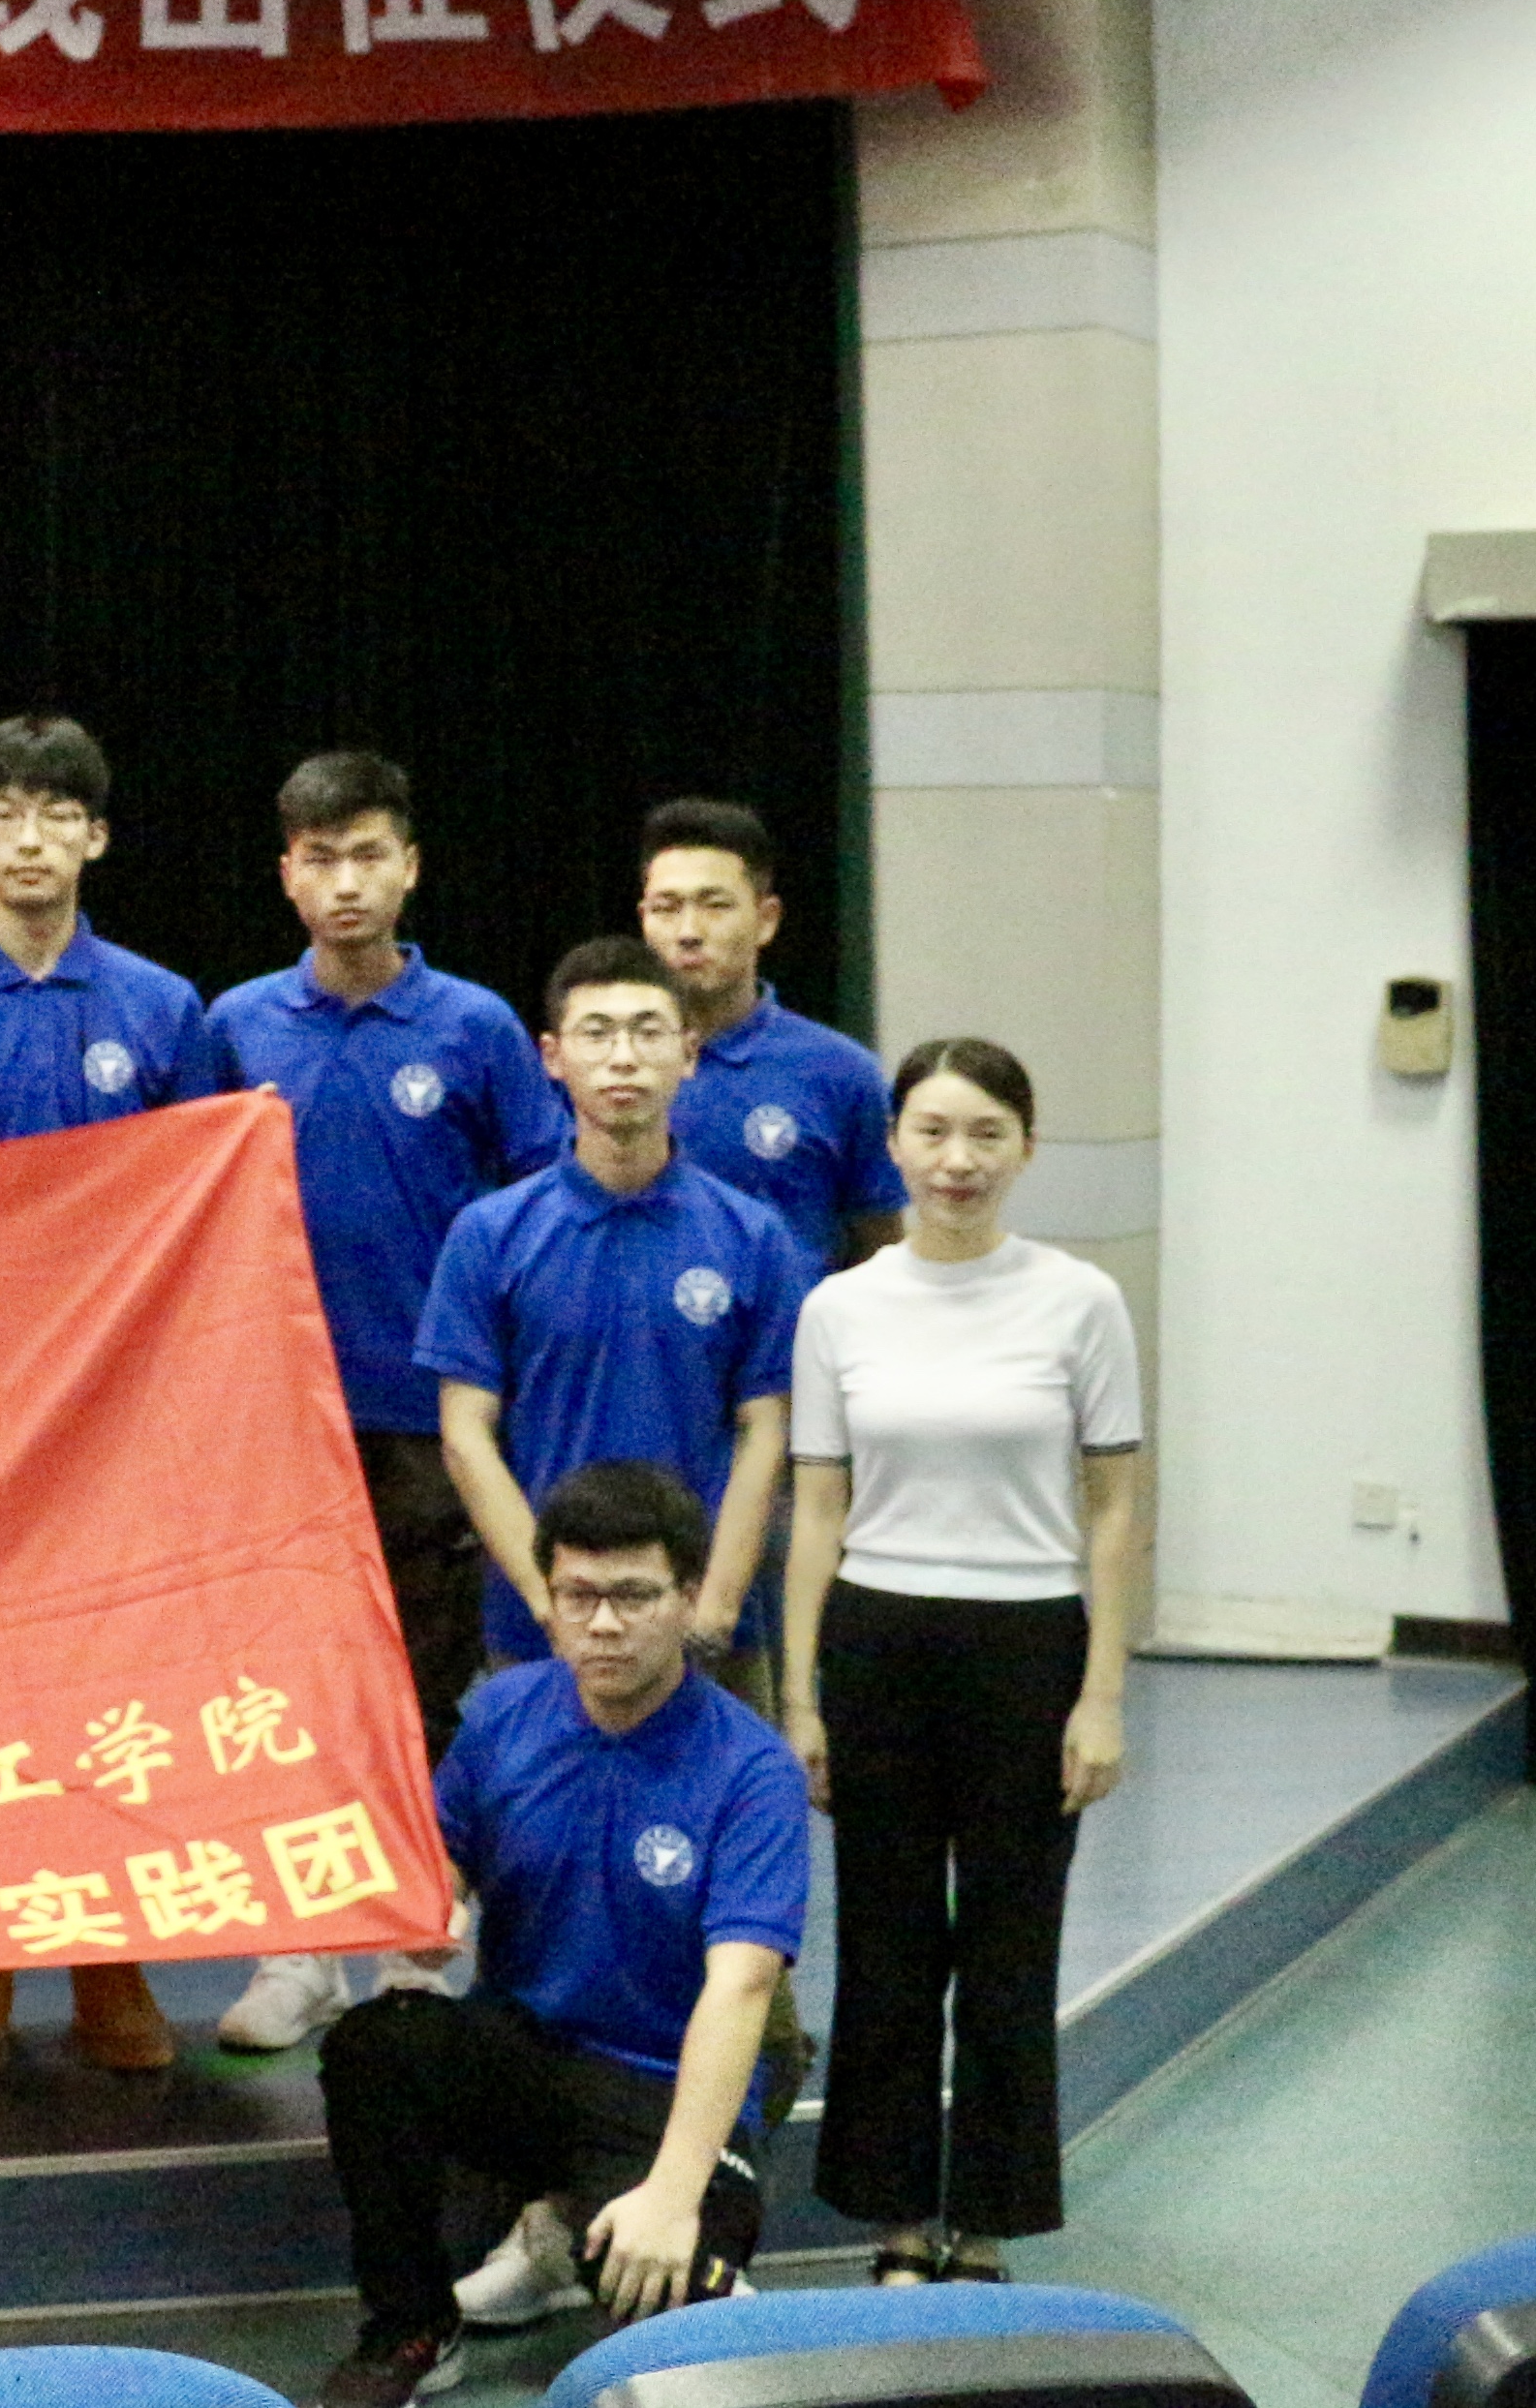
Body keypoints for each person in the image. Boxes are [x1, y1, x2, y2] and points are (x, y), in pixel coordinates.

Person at [0, 712, 232, 2078]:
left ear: (95, 837)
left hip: (118, 1412)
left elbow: (204, 1207)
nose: (29, 839)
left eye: (55, 814)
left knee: (107, 1683)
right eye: (2, 812)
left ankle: (108, 1957)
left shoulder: (164, 1009)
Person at [309, 1461, 805, 2408]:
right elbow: (441, 1860)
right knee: (379, 2041)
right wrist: (429, 1915)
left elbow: (740, 1987)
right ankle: (413, 2323)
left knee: (680, 2353)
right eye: (580, 1595)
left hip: (662, 2089)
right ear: (549, 1599)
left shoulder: (752, 1770)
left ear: (688, 1597)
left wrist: (673, 2193)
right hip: (527, 2058)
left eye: (635, 1595)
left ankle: (582, 2230)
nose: (604, 1622)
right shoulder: (504, 1714)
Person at [208, 752, 562, 2055]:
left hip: (436, 1420)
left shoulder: (475, 1027)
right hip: (278, 1424)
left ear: (408, 866)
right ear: (285, 874)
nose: (344, 881)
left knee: (426, 1689)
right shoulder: (234, 1025)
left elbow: (534, 1209)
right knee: (292, 1689)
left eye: (368, 854)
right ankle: (298, 1947)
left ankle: (419, 1932)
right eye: (319, 857)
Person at [783, 1037, 1150, 2287]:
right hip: (877, 1640)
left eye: (986, 1132)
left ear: (1025, 1148)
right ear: (892, 1142)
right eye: (932, 1130)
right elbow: (817, 1510)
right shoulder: (839, 1306)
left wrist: (1100, 1693)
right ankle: (892, 2217)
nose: (957, 1158)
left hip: (1027, 1643)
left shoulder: (1080, 1300)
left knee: (1007, 1950)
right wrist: (801, 1695)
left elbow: (1113, 1508)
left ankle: (984, 2217)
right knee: (886, 1945)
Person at [414, 937, 807, 1692]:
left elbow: (767, 1432)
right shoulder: (489, 1233)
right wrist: (553, 1603)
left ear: (688, 1053)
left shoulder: (753, 1235)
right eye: (597, 1033)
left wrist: (715, 1605)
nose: (622, 1057)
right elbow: (465, 1435)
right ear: (552, 1057)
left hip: (711, 1633)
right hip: (539, 1636)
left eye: (647, 1031)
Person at [637, 800, 905, 1278]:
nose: (688, 931)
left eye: (715, 905)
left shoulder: (842, 1073)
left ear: (767, 919)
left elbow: (879, 1255)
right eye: (667, 908)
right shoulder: (600, 1066)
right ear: (643, 919)